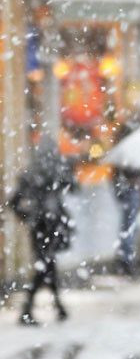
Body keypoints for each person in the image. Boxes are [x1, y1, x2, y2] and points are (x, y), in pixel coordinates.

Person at [11, 136, 76, 325]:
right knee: (45, 266)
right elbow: (72, 187)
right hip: (51, 224)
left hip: (41, 226)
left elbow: (14, 202)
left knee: (47, 265)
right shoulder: (53, 170)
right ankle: (30, 309)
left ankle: (55, 307)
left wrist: (27, 217)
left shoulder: (33, 172)